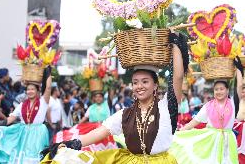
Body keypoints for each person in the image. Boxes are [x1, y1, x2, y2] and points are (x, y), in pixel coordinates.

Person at [40, 32, 188, 164]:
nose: (139, 86)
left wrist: (175, 44)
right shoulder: (125, 114)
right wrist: (73, 143)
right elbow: (100, 132)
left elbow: (178, 77)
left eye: (145, 81)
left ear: (155, 85)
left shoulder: (165, 108)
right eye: (135, 82)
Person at [170, 58, 243, 164]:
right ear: (213, 91)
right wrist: (180, 132)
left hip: (228, 142)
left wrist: (239, 69)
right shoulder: (208, 106)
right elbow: (194, 122)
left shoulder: (232, 103)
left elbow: (239, 86)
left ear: (227, 90)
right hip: (210, 142)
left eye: (222, 89)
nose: (219, 91)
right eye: (216, 89)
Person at [0, 67, 52, 164]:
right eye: (28, 89)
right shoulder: (22, 105)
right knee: (22, 159)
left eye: (32, 89)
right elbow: (11, 118)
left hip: (38, 134)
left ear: (38, 91)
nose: (30, 91)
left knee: (35, 158)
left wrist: (48, 71)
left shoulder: (43, 102)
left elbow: (48, 88)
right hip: (23, 133)